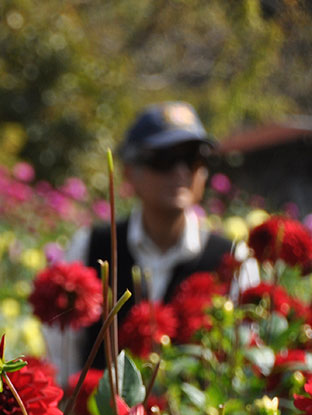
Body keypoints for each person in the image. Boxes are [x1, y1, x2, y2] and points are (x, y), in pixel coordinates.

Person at [46, 101, 251, 379]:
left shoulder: (232, 258)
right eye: (165, 158)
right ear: (130, 170)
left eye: (193, 158)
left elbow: (245, 365)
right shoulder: (91, 246)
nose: (181, 171)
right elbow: (63, 358)